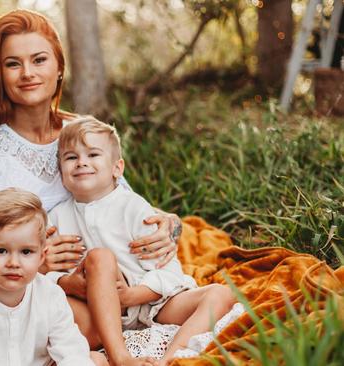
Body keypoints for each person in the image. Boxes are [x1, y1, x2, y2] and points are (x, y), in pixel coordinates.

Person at [0, 9, 182, 358]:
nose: (28, 73)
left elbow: (116, 199)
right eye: (13, 64)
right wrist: (29, 260)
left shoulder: (80, 133)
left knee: (89, 322)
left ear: (58, 67)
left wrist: (170, 226)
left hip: (62, 288)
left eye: (39, 59)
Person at [47, 119, 237, 366]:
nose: (82, 162)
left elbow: (168, 269)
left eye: (93, 154)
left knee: (221, 294)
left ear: (117, 168)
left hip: (152, 305)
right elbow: (44, 273)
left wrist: (132, 296)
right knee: (99, 258)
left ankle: (168, 358)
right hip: (95, 313)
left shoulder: (134, 208)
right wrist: (64, 280)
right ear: (61, 174)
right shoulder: (56, 217)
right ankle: (118, 357)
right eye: (71, 158)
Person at [0, 188, 107, 366]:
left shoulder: (50, 295)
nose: (13, 262)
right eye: (1, 251)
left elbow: (71, 352)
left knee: (94, 360)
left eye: (26, 251)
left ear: (42, 256)